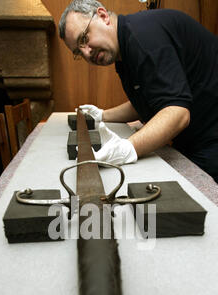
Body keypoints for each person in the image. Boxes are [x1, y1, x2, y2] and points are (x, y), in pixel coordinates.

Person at [59, 0, 218, 182]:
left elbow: (177, 112)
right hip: (197, 137)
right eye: (79, 52)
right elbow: (150, 100)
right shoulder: (124, 50)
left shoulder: (143, 36)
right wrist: (102, 115)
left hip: (211, 137)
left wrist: (127, 148)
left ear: (103, 16)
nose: (87, 53)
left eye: (84, 39)